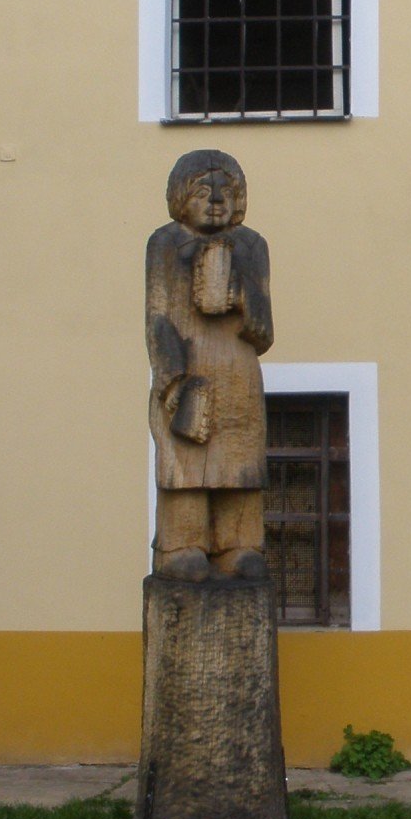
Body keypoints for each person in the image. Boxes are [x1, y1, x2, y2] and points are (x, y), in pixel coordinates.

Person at [145, 149, 273, 581]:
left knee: (240, 464)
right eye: (203, 190)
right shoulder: (165, 243)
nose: (216, 200)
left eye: (226, 191)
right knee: (187, 465)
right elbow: (159, 316)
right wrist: (174, 381)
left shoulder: (252, 246)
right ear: (182, 197)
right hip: (189, 370)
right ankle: (182, 545)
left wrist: (238, 293)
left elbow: (265, 330)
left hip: (239, 375)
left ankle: (239, 544)